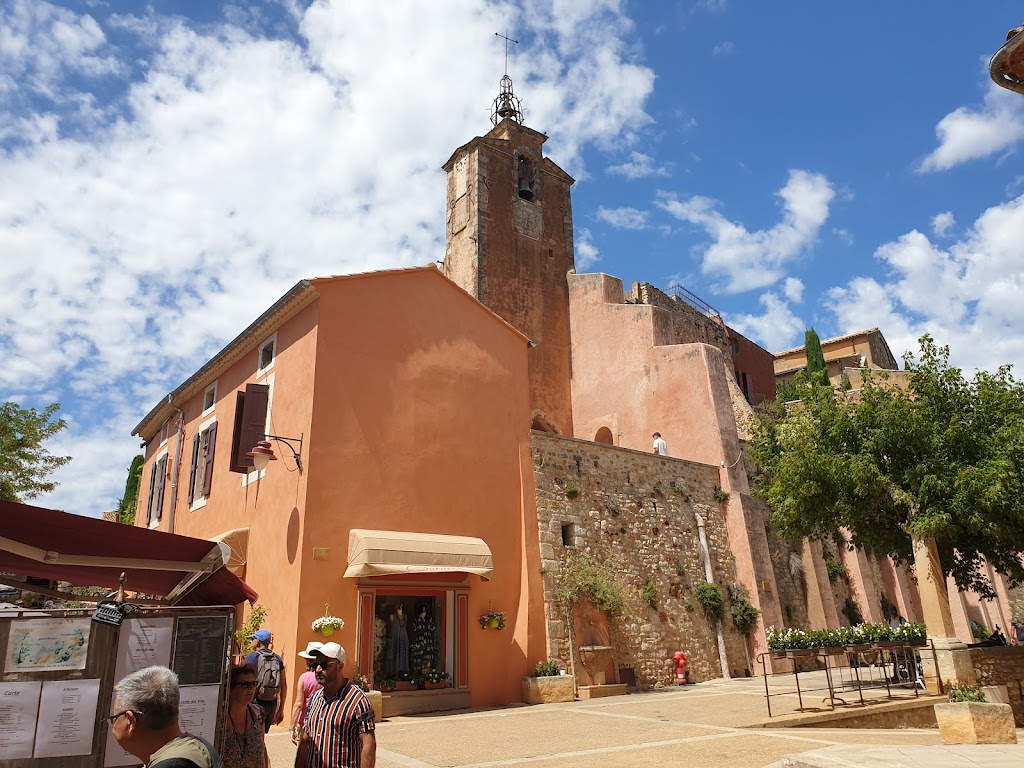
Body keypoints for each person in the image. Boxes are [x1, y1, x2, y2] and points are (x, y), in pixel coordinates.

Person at [109, 665, 224, 768]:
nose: (113, 724)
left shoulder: (173, 763)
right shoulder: (198, 746)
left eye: (114, 718)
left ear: (130, 722)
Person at [295, 642, 375, 768]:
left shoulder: (358, 701)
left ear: (339, 666)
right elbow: (306, 740)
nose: (318, 670)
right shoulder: (315, 698)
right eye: (315, 665)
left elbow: (368, 744)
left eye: (324, 665)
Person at [222, 664, 268, 768]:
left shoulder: (258, 714)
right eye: (245, 685)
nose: (251, 688)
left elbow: (262, 748)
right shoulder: (219, 719)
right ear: (229, 689)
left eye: (254, 684)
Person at [244, 628, 287, 733]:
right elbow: (284, 685)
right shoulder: (278, 659)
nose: (252, 641)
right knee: (262, 735)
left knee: (251, 734)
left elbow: (244, 681)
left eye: (253, 639)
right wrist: (281, 709)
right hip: (271, 703)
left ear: (258, 641)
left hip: (255, 702)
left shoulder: (252, 657)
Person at [290, 642, 324, 739]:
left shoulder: (304, 678)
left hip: (306, 720)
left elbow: (298, 704)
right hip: (322, 720)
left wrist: (292, 727)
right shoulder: (327, 677)